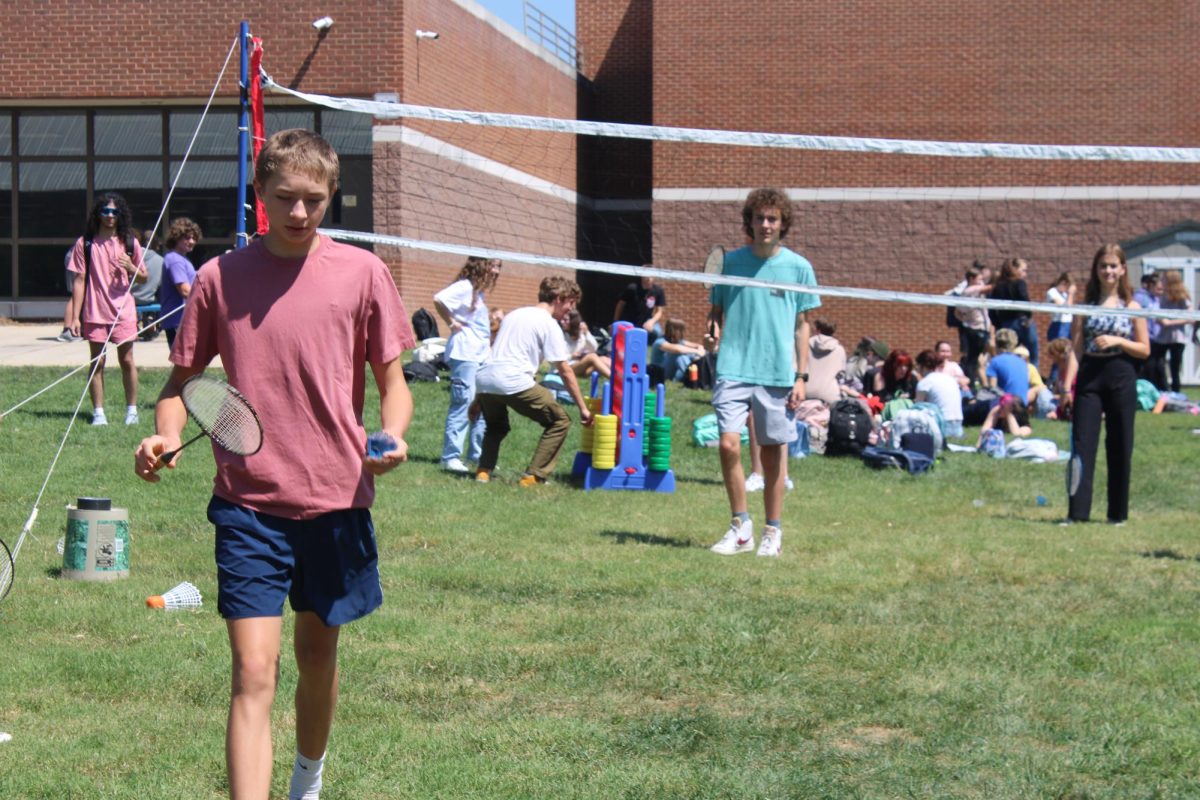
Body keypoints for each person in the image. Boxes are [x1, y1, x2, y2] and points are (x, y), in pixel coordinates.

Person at [133, 129, 415, 800]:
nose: (298, 213)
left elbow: (394, 381)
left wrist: (393, 435)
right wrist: (164, 436)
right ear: (258, 193)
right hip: (248, 506)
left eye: (313, 200)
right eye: (284, 197)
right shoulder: (218, 279)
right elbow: (180, 388)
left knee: (316, 659)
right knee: (253, 670)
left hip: (338, 499)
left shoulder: (363, 273)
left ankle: (308, 777)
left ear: (330, 198)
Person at [707, 187, 820, 558]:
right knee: (727, 444)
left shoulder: (799, 267)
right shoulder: (730, 262)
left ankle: (773, 530)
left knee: (773, 456)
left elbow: (803, 325)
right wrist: (713, 327)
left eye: (773, 218)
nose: (766, 224)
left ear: (783, 223)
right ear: (749, 222)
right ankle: (740, 526)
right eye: (760, 218)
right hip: (734, 367)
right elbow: (717, 311)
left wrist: (801, 377)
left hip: (776, 372)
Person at [475, 276, 594, 486]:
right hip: (512, 380)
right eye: (571, 303)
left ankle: (483, 472)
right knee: (560, 421)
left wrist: (478, 398)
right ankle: (534, 476)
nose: (571, 309)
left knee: (496, 426)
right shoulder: (548, 324)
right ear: (558, 298)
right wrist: (583, 408)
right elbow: (565, 371)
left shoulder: (515, 314)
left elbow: (498, 356)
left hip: (485, 379)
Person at [1061, 243, 1149, 525]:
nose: (1108, 271)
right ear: (1096, 270)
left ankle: (1117, 514)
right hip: (1091, 374)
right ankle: (1077, 514)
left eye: (1113, 266)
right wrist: (1066, 387)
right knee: (1082, 444)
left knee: (1120, 442)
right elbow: (1075, 349)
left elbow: (1144, 349)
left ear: (1122, 269)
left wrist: (1119, 341)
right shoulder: (1084, 308)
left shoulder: (1132, 307)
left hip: (1121, 373)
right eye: (1103, 266)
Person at [66, 192, 148, 426]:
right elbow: (79, 281)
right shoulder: (85, 243)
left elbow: (144, 278)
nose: (110, 216)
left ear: (120, 214)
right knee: (97, 362)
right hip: (95, 311)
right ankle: (98, 413)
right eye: (105, 211)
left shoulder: (130, 242)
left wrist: (131, 267)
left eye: (114, 212)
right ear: (98, 214)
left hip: (124, 311)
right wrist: (75, 317)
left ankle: (131, 411)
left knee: (127, 360)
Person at [433, 256, 502, 473]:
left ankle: (477, 455)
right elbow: (439, 299)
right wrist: (452, 323)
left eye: (499, 267)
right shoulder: (464, 287)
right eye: (493, 265)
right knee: (463, 403)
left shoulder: (477, 294)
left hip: (480, 356)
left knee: (481, 405)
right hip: (465, 355)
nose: (496, 271)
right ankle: (450, 456)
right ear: (481, 265)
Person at [159, 217, 203, 351]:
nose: (191, 242)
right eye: (187, 238)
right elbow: (185, 290)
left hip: (184, 320)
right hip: (177, 321)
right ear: (176, 238)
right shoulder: (175, 260)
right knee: (184, 366)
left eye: (194, 238)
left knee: (191, 365)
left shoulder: (182, 259)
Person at [989, 256, 1039, 368]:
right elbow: (1025, 300)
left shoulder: (998, 286)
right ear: (1015, 269)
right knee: (1032, 352)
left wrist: (998, 324)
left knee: (1009, 352)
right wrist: (1029, 317)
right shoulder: (1019, 283)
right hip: (1022, 322)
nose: (1025, 274)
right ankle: (1034, 376)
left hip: (1006, 323)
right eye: (1023, 270)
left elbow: (991, 308)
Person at [1153, 271, 1193, 394]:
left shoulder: (1182, 297)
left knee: (1175, 367)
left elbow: (1190, 317)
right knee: (1156, 362)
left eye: (1164, 279)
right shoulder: (1161, 296)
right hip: (1163, 337)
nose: (1161, 282)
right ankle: (1163, 389)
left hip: (1177, 337)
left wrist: (1170, 322)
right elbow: (1156, 313)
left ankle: (1176, 392)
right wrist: (1160, 320)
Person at [953, 264, 992, 386]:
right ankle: (970, 384)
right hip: (976, 329)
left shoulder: (973, 291)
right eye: (979, 279)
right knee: (973, 360)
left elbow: (958, 312)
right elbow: (991, 287)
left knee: (979, 360)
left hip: (981, 328)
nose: (981, 282)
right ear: (971, 279)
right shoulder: (970, 290)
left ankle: (981, 383)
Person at [915, 349, 964, 438]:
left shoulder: (925, 382)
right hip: (958, 424)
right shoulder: (949, 378)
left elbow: (917, 409)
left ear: (923, 366)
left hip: (941, 424)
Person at [1132, 272, 1165, 389]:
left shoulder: (1154, 298)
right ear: (1150, 285)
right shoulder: (1141, 298)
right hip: (1144, 338)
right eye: (1158, 287)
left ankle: (1155, 391)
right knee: (1146, 367)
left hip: (1154, 338)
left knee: (1156, 366)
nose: (1160, 290)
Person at [649, 318, 706, 383]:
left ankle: (686, 380)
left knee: (683, 357)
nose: (683, 332)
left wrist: (700, 349)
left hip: (669, 373)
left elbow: (697, 346)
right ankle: (690, 378)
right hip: (659, 374)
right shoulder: (660, 342)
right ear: (675, 331)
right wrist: (697, 352)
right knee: (678, 354)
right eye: (681, 330)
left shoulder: (679, 342)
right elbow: (677, 349)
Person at [613, 273, 666, 341]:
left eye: (651, 276)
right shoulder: (632, 288)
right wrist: (615, 322)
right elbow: (620, 305)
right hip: (630, 320)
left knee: (658, 334)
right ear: (642, 276)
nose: (649, 279)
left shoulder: (658, 291)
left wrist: (651, 322)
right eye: (647, 276)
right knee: (621, 340)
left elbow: (659, 311)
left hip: (646, 320)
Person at [805, 318, 847, 405]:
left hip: (805, 391)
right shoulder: (839, 349)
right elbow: (841, 374)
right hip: (830, 394)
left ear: (818, 330)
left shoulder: (805, 346)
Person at [131, 229, 164, 338]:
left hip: (129, 298)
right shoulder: (161, 261)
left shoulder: (131, 256)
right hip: (148, 299)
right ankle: (150, 320)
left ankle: (138, 321)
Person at [561, 309, 610, 380]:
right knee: (592, 357)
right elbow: (556, 358)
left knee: (604, 359)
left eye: (565, 320)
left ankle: (624, 376)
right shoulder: (561, 336)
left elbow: (594, 348)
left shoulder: (581, 334)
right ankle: (614, 380)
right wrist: (572, 356)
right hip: (567, 368)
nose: (562, 322)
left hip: (581, 366)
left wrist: (587, 333)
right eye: (562, 319)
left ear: (573, 321)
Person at [986, 328, 1030, 400]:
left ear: (996, 344)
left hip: (1006, 405)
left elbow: (992, 389)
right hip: (1022, 405)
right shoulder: (1023, 363)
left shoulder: (995, 361)